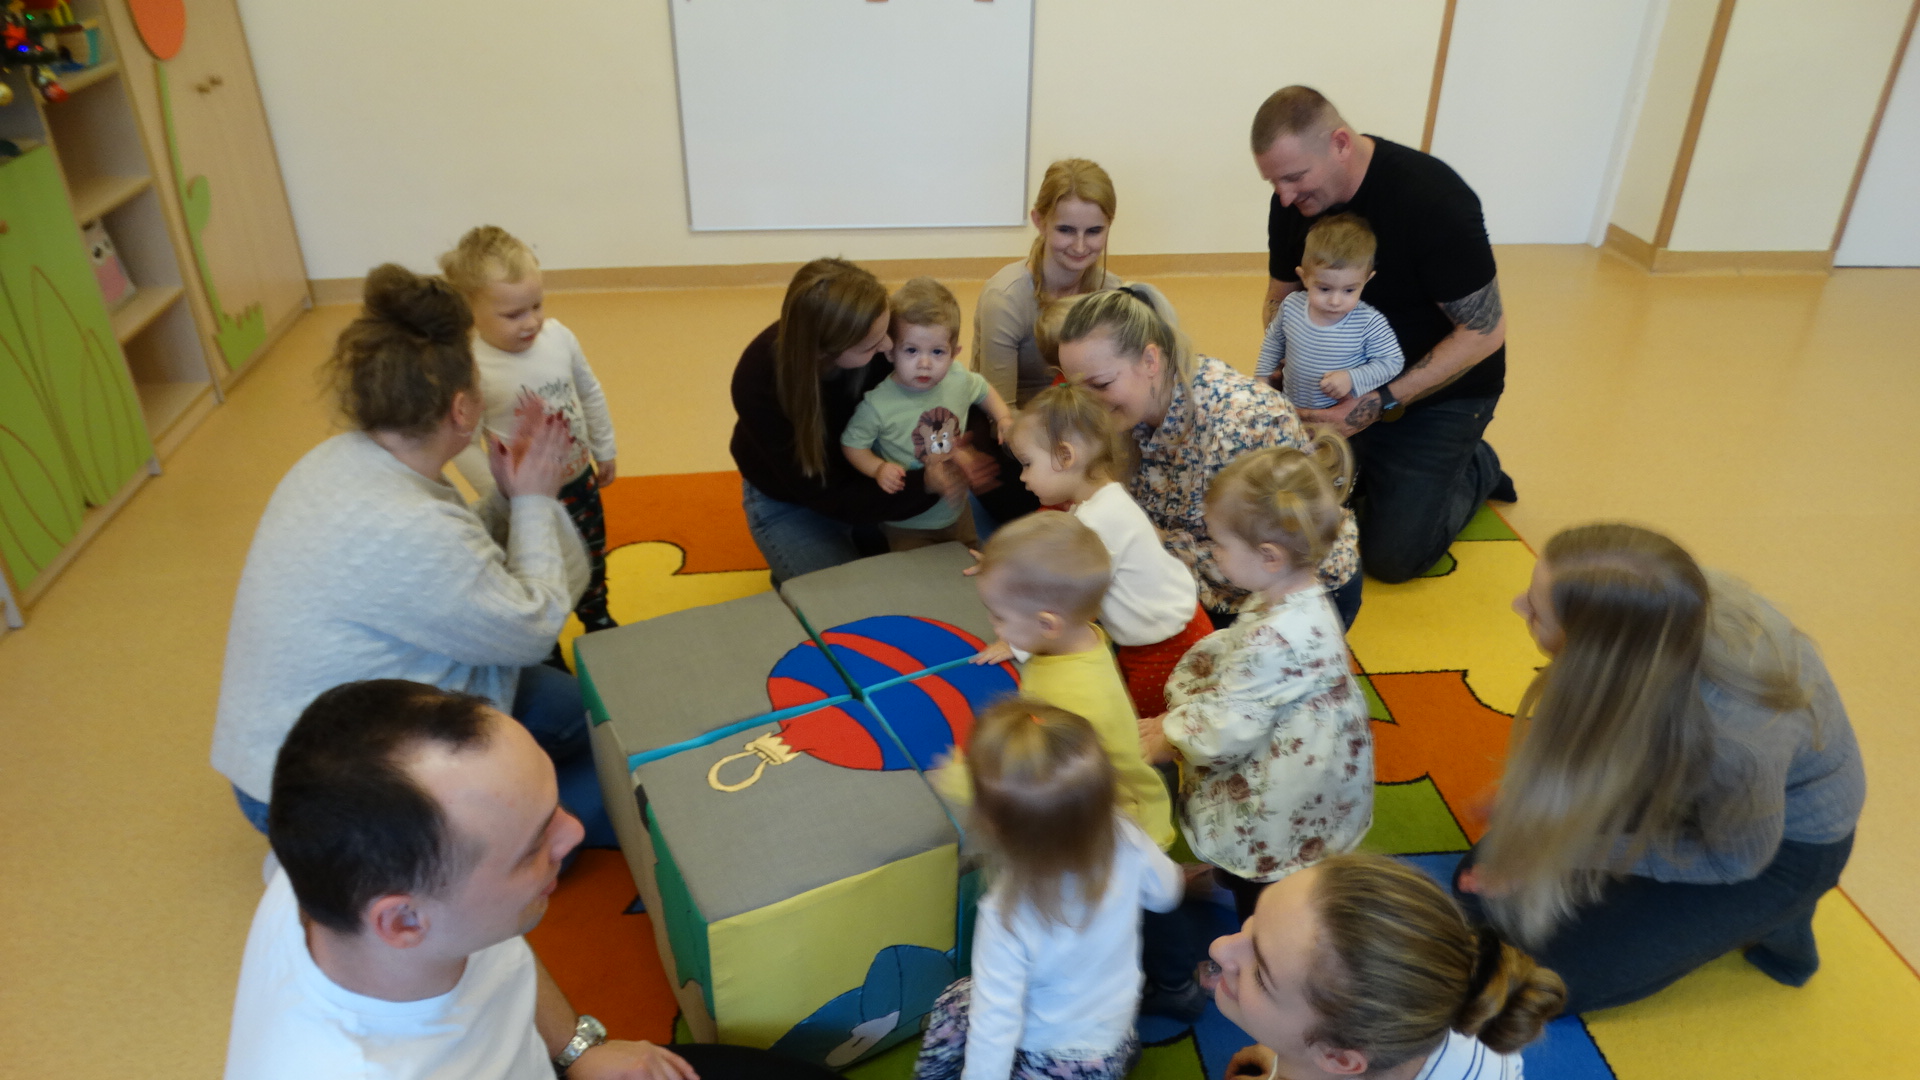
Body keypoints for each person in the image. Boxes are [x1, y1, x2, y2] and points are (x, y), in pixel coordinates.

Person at [227, 679, 839, 1080]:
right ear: (404, 920)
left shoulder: (340, 876)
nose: (574, 832)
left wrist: (577, 1049)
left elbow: (498, 946)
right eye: (532, 848)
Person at [211, 265, 611, 847]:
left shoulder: (347, 458)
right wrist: (532, 500)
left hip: (354, 725)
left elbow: (457, 569)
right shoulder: (405, 523)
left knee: (601, 716)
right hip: (306, 792)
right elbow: (531, 629)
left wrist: (508, 495)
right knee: (589, 808)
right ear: (462, 409)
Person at [1455, 523, 1865, 1014]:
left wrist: (1564, 849)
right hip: (1682, 781)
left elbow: (1735, 860)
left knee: (1533, 981)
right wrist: (1535, 799)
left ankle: (1775, 913)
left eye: (1536, 611)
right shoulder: (1659, 608)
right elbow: (1604, 720)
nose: (1517, 606)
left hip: (1777, 849)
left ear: (1596, 650)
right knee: (1479, 899)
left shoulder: (1736, 742)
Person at [1254, 85, 1515, 585]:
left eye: (1294, 177)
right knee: (1281, 515)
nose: (1284, 196)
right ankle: (1379, 468)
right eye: (1273, 182)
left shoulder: (1434, 200)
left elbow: (1485, 331)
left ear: (1339, 144)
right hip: (1337, 388)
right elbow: (1279, 298)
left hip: (1441, 394)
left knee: (1393, 558)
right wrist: (1290, 360)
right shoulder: (1292, 203)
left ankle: (1477, 465)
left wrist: (1377, 402)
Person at [1141, 440, 1374, 921]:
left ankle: (1259, 936)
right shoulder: (1293, 589)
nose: (1212, 552)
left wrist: (1169, 736)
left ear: (1269, 556)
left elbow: (1227, 728)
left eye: (1219, 544)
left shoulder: (1277, 636)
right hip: (1299, 733)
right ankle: (1226, 880)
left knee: (1264, 877)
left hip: (1283, 776)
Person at [1055, 286, 1363, 629]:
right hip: (1216, 579)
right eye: (1075, 389)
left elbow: (1262, 561)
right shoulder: (1139, 406)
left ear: (1150, 360)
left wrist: (1143, 539)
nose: (1088, 404)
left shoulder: (1239, 424)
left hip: (1284, 597)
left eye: (1100, 385)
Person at [914, 699, 1183, 1080]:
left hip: (1047, 1058)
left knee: (955, 1002)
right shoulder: (1124, 832)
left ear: (992, 826)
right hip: (1112, 1029)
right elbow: (1167, 892)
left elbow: (994, 1027)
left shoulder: (1005, 913)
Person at [730, 258, 1006, 583]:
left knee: (964, 566)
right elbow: (830, 495)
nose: (888, 347)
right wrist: (924, 483)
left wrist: (963, 449)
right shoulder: (758, 381)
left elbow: (948, 394)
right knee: (852, 598)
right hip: (793, 498)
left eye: (887, 332)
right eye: (873, 344)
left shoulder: (877, 339)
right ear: (825, 352)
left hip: (878, 478)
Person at [1209, 854, 1565, 1080]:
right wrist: (1285, 1054)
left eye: (1261, 975)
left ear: (1339, 1059)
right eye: (1255, 920)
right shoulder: (1464, 1005)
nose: (1219, 947)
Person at [441, 225, 620, 634]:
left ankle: (597, 618)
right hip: (522, 499)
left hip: (577, 480)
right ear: (470, 312)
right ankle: (545, 642)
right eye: (513, 315)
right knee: (533, 566)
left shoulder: (559, 338)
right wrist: (502, 492)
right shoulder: (473, 368)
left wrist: (604, 447)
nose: (531, 322)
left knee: (592, 556)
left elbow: (589, 391)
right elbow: (464, 443)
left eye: (536, 306)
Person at [1002, 382, 1212, 718]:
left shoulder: (1099, 520)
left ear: (1066, 456)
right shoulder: (1101, 501)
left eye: (1027, 464)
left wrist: (1020, 642)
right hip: (1160, 635)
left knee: (1143, 730)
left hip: (1166, 649)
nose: (1023, 478)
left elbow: (1070, 600)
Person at [973, 158, 1176, 406]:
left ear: (1109, 225)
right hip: (1021, 419)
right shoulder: (1005, 299)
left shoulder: (1112, 291)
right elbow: (1000, 411)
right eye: (1066, 230)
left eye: (1094, 231)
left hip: (1090, 415)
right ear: (1040, 222)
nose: (1080, 247)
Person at [842, 277, 1012, 550]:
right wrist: (878, 468)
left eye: (937, 352)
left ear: (954, 353)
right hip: (907, 523)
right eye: (911, 350)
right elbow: (852, 444)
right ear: (890, 353)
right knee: (917, 573)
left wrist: (1003, 417)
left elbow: (982, 389)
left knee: (970, 559)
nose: (924, 363)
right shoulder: (878, 404)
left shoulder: (957, 378)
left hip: (958, 509)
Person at [1254, 213, 1405, 412]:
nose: (1335, 301)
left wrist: (1351, 378)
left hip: (1339, 414)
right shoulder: (1291, 306)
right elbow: (1274, 341)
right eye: (1324, 289)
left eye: (1349, 290)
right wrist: (1262, 377)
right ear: (1304, 277)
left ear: (1366, 280)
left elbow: (1392, 362)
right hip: (1292, 405)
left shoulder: (1369, 322)